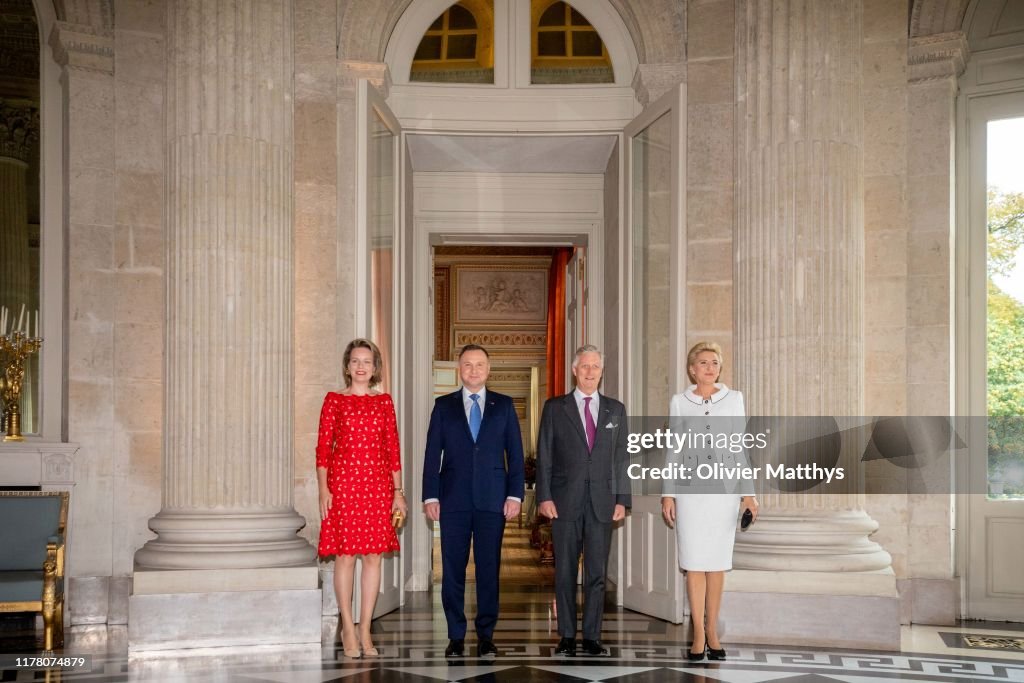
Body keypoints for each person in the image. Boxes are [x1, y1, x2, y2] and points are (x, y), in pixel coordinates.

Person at [422, 344, 525, 659]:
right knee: (452, 569)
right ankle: (455, 635)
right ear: (459, 368)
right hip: (452, 499)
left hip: (493, 501)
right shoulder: (443, 406)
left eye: (480, 364)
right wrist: (430, 495)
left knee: (488, 570)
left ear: (488, 369)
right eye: (468, 364)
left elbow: (516, 455)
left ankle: (486, 635)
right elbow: (431, 455)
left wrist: (514, 494)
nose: (474, 370)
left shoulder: (504, 406)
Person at [661, 341, 759, 662]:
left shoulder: (734, 400)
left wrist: (749, 494)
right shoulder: (680, 402)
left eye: (714, 362)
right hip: (690, 494)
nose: (709, 367)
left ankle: (713, 630)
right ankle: (698, 634)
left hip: (723, 495)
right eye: (703, 362)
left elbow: (740, 448)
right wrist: (668, 492)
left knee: (716, 564)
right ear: (692, 369)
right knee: (693, 564)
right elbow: (673, 449)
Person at [536, 344, 631, 657]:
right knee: (563, 572)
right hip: (564, 502)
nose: (590, 372)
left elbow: (621, 458)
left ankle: (592, 637)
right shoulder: (555, 407)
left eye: (596, 366)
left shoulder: (615, 410)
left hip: (603, 502)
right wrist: (544, 497)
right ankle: (565, 636)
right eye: (585, 366)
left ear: (602, 372)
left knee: (596, 574)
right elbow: (545, 455)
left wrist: (622, 499)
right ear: (575, 370)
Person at [316, 339, 408, 659]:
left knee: (372, 557)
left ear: (374, 367)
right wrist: (323, 490)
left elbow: (393, 450)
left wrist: (398, 493)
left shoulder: (384, 402)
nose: (360, 366)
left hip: (378, 487)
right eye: (355, 361)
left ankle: (365, 627)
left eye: (367, 361)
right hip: (343, 487)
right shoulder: (334, 401)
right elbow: (323, 450)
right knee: (345, 557)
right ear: (347, 366)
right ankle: (347, 625)